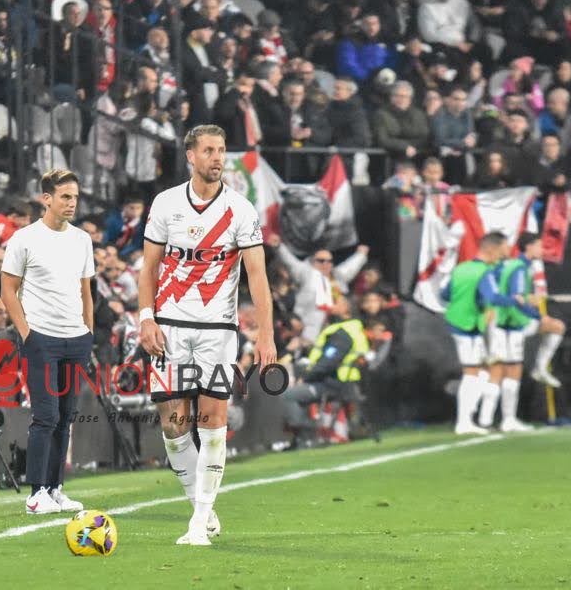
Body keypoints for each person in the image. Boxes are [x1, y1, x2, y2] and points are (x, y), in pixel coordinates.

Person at [138, 124, 277, 546]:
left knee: (212, 420)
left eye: (221, 150)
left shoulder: (241, 210)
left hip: (218, 328)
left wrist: (266, 336)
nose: (218, 158)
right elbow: (149, 269)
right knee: (173, 424)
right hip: (170, 326)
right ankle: (204, 507)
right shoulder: (165, 204)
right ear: (191, 157)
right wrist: (146, 318)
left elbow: (258, 278)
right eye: (210, 150)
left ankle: (198, 522)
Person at [1, 169, 94, 516]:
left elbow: (86, 291)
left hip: (76, 340)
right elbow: (8, 290)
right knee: (45, 416)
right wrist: (27, 333)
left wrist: (89, 332)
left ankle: (55, 489)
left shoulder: (82, 240)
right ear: (47, 199)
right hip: (42, 339)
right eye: (65, 196)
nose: (72, 203)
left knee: (67, 416)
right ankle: (36, 492)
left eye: (75, 197)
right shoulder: (24, 239)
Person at [442, 232, 526, 435]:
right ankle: (463, 422)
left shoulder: (461, 268)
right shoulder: (484, 272)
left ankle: (470, 415)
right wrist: (517, 301)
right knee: (472, 373)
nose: (505, 252)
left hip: (459, 321)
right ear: (491, 249)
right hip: (468, 326)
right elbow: (493, 297)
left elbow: (444, 294)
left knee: (480, 373)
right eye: (503, 247)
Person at [281, 301, 390, 446]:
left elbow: (328, 362)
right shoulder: (353, 329)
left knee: (287, 396)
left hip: (331, 383)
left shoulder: (342, 333)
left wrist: (305, 378)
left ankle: (307, 434)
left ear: (346, 310)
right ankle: (308, 434)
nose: (332, 305)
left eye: (337, 303)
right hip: (345, 382)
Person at [487, 233, 565, 430]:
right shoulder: (520, 268)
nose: (542, 250)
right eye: (539, 246)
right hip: (510, 323)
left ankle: (490, 419)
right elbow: (518, 300)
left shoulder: (511, 265)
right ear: (528, 247)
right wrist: (539, 316)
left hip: (506, 322)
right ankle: (505, 419)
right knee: (508, 370)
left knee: (556, 327)